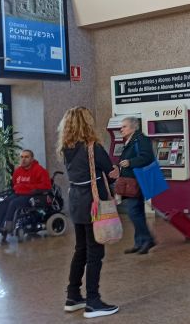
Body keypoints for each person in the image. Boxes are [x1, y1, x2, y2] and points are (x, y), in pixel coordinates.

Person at [58, 106, 119, 318]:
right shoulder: (93, 147)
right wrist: (116, 172)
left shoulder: (66, 148)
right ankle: (93, 301)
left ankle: (73, 296)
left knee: (80, 249)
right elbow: (110, 173)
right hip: (93, 203)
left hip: (75, 200)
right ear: (87, 123)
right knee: (95, 252)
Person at [0, 149, 51, 244]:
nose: (23, 159)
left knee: (13, 204)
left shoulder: (40, 170)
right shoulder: (18, 171)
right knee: (2, 203)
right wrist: (20, 188)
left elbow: (47, 186)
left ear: (32, 159)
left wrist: (28, 188)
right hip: (18, 194)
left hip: (31, 195)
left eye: (26, 157)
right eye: (22, 157)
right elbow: (15, 184)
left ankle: (2, 233)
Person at [112, 117, 156, 255]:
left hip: (137, 182)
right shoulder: (130, 140)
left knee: (133, 212)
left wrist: (130, 162)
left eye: (124, 126)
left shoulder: (140, 139)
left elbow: (147, 157)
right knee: (138, 212)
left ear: (133, 127)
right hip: (132, 181)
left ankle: (147, 239)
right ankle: (139, 242)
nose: (121, 129)